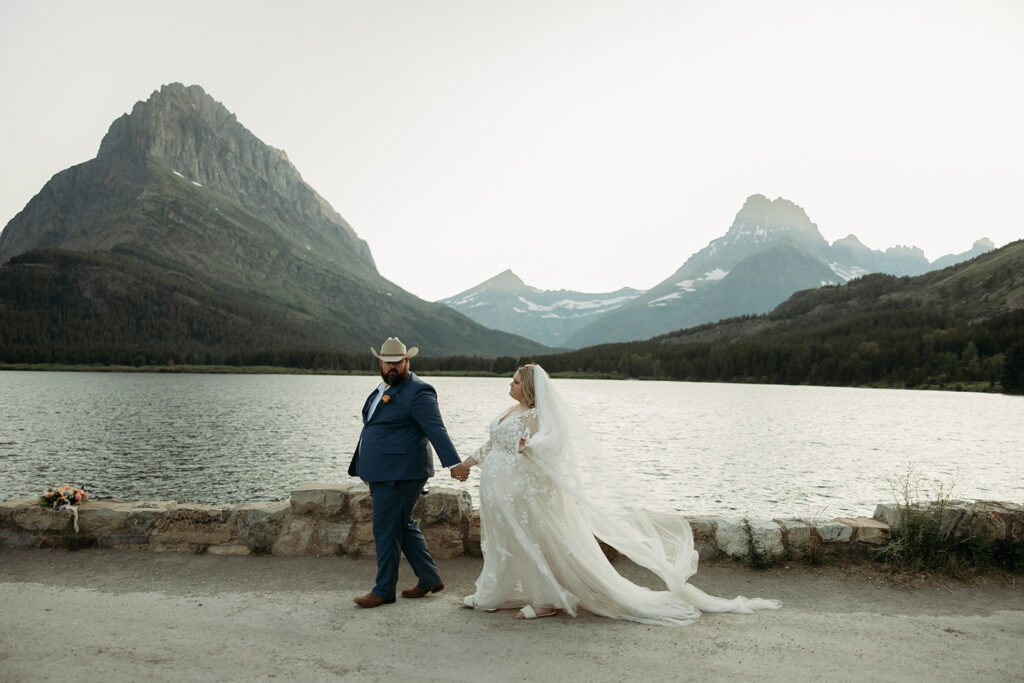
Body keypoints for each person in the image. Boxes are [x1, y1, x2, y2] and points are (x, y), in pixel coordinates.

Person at [449, 364, 781, 624]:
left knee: (534, 541)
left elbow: (552, 443)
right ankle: (496, 591)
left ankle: (547, 600)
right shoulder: (509, 412)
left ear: (531, 388)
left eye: (517, 381)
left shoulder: (538, 416)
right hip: (498, 491)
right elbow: (494, 443)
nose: (511, 384)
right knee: (504, 543)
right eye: (512, 379)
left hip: (523, 492)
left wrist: (530, 446)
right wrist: (467, 463)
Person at [349, 337, 462, 608]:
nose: (391, 368)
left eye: (396, 363)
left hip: (401, 473)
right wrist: (367, 466)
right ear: (380, 363)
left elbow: (436, 428)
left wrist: (453, 464)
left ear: (406, 362)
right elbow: (372, 426)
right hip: (381, 471)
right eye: (386, 362)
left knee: (386, 529)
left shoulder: (419, 392)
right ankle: (429, 578)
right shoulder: (381, 389)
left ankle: (384, 589)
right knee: (403, 525)